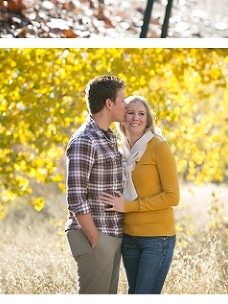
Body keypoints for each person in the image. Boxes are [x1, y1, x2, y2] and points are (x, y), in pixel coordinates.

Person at [100, 95, 179, 295]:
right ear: (122, 118)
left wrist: (129, 206)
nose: (136, 118)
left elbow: (172, 196)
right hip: (128, 237)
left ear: (147, 120)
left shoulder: (159, 146)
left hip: (156, 238)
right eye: (130, 113)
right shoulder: (118, 150)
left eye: (141, 114)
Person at [65, 75, 128, 294]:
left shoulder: (108, 137)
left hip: (110, 235)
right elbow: (75, 197)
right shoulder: (85, 139)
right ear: (109, 103)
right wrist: (96, 239)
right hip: (94, 236)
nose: (126, 105)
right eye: (123, 100)